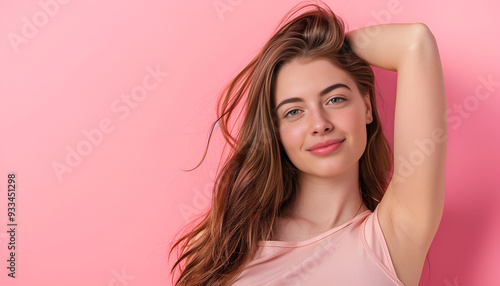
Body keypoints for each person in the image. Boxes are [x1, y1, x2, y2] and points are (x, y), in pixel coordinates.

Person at [169, 1, 447, 285]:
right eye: (294, 112)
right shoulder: (228, 243)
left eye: (335, 99)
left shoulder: (395, 235)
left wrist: (338, 48)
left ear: (366, 106)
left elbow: (416, 42)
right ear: (276, 132)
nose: (319, 124)